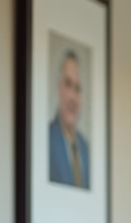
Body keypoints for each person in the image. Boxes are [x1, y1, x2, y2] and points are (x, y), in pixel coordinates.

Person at [49, 49, 89, 188]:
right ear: (59, 87)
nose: (73, 97)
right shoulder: (46, 140)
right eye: (68, 84)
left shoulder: (86, 148)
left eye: (77, 89)